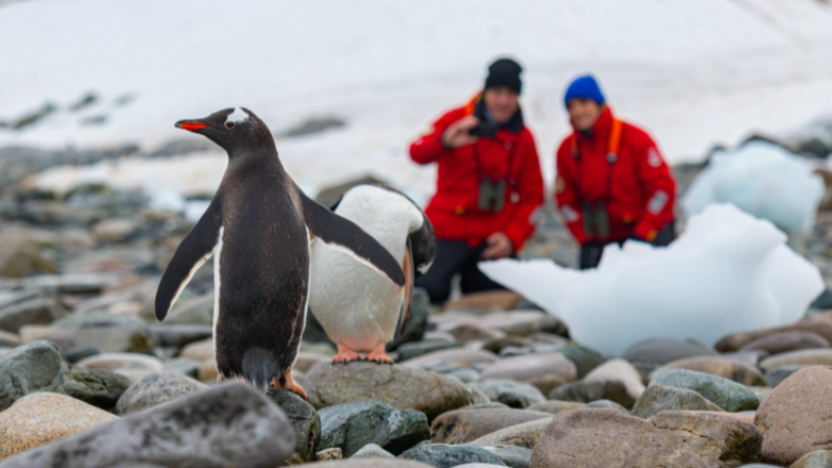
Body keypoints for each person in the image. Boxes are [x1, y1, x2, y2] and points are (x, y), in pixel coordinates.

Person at [409, 58, 545, 304]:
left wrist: (512, 238)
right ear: (486, 91)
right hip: (446, 230)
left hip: (492, 236)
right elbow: (416, 152)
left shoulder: (523, 139)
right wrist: (444, 142)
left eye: (511, 94)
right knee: (425, 292)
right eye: (497, 92)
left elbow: (533, 195)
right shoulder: (456, 120)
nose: (503, 100)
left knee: (501, 296)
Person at [555, 74, 677, 270]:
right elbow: (565, 201)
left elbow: (662, 189)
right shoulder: (566, 150)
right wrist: (583, 237)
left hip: (647, 231)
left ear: (599, 104)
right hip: (602, 238)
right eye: (571, 106)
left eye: (583, 103)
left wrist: (644, 233)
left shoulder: (635, 139)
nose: (577, 111)